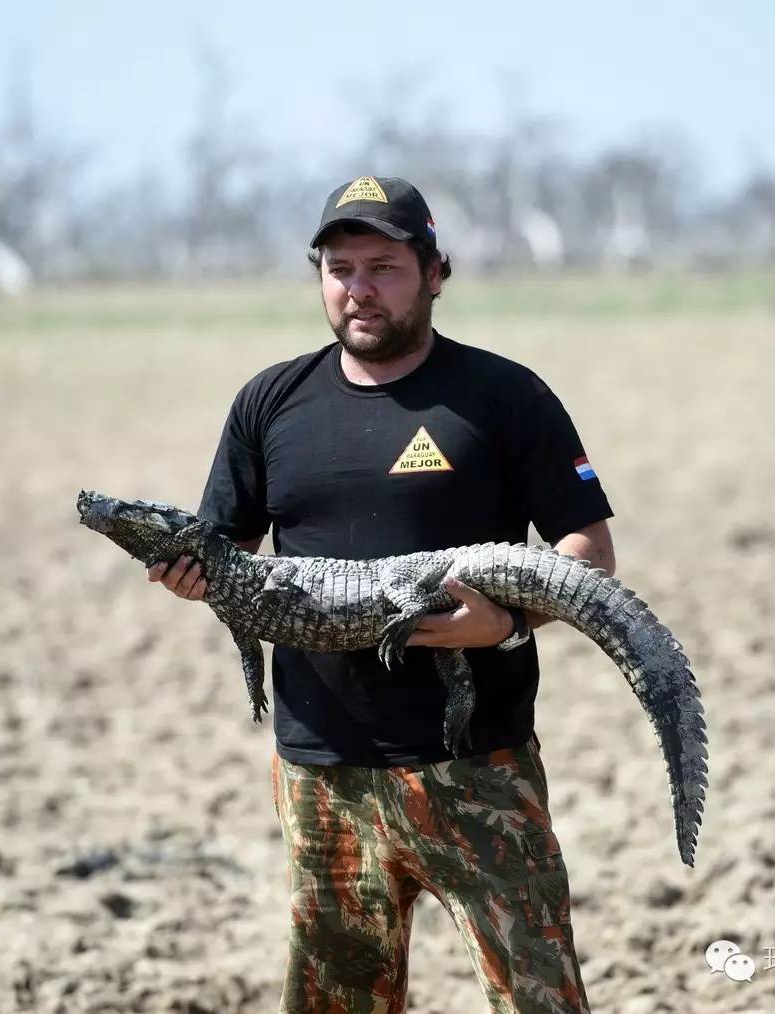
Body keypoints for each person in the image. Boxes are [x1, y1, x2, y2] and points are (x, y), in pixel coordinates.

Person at [148, 176, 615, 1013]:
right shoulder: (270, 403)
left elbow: (588, 553)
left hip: (479, 767)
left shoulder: (504, 397)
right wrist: (194, 579)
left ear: (437, 272)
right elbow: (228, 553)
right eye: (340, 267)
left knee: (539, 1000)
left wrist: (502, 626)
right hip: (323, 773)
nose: (359, 288)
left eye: (385, 267)